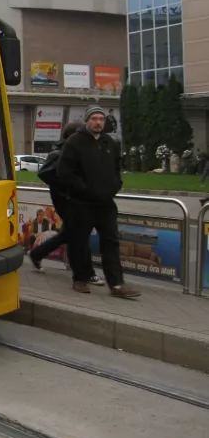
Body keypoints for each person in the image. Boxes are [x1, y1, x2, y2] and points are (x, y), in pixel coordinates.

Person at [57, 105, 140, 297]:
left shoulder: (109, 143)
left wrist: (115, 185)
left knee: (111, 242)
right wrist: (83, 189)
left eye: (101, 119)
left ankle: (117, 284)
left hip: (105, 203)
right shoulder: (75, 142)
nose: (98, 122)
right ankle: (79, 278)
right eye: (94, 118)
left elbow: (117, 167)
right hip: (82, 203)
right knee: (79, 241)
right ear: (87, 120)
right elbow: (64, 173)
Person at [28, 120, 103, 285]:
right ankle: (86, 272)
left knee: (69, 234)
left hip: (74, 199)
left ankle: (37, 254)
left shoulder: (72, 151)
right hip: (67, 201)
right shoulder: (59, 153)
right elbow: (46, 174)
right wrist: (65, 187)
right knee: (80, 235)